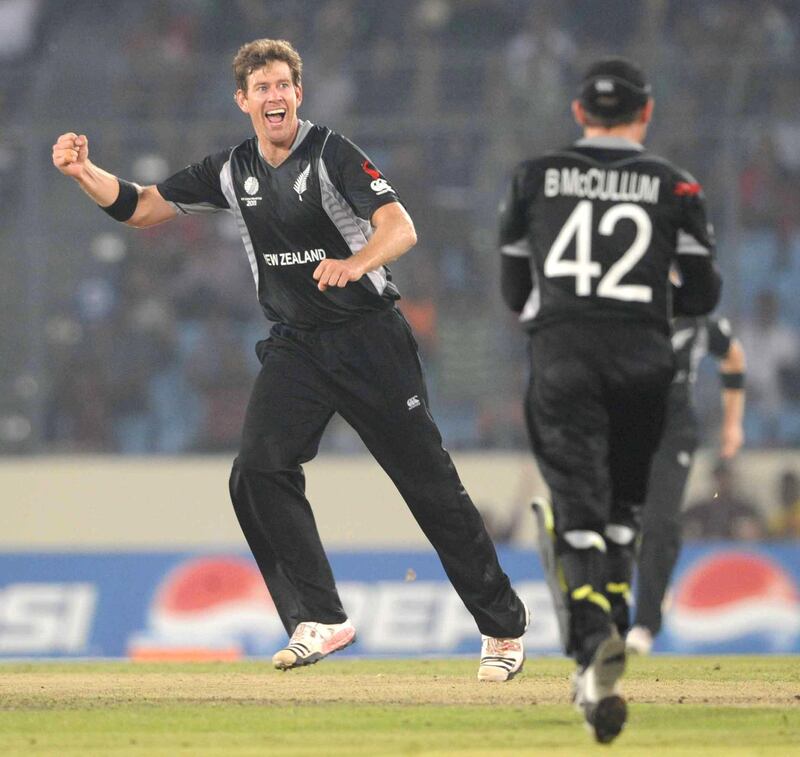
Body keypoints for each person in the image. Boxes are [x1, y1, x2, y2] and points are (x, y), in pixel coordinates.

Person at [53, 38, 528, 681]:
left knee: (429, 487)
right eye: (263, 87)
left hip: (369, 338)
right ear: (242, 100)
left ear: (298, 94)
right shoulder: (230, 170)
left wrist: (356, 263)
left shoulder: (332, 152)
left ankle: (502, 630)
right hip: (298, 345)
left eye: (284, 85)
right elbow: (140, 206)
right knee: (256, 470)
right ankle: (320, 617)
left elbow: (400, 226)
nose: (275, 97)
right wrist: (85, 173)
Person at [499, 57, 721, 742]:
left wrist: (561, 318)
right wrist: (649, 307)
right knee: (625, 511)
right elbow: (704, 296)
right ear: (645, 113)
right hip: (644, 359)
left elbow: (515, 289)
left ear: (576, 113)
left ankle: (593, 629)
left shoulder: (533, 177)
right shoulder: (676, 185)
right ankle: (603, 652)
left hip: (565, 353)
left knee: (577, 506)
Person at [626, 316, 746, 655]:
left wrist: (732, 424)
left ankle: (645, 624)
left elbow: (733, 356)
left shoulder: (698, 322)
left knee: (660, 521)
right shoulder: (622, 307)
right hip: (625, 430)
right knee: (620, 520)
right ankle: (645, 586)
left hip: (672, 433)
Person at [682, 459, 765, 540]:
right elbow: (683, 527)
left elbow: (762, 535)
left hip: (737, 551)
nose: (723, 482)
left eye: (726, 477)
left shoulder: (745, 509)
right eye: (719, 477)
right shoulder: (699, 509)